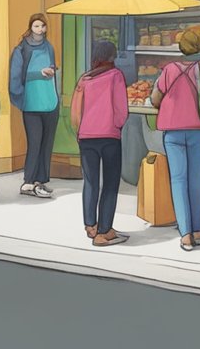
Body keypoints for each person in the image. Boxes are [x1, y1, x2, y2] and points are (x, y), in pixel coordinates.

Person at [152, 28, 200, 252]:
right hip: (199, 129)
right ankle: (198, 230)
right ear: (199, 48)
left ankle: (186, 235)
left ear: (181, 49)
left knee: (178, 181)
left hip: (173, 132)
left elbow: (155, 98)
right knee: (196, 181)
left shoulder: (169, 70)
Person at [75, 40, 129, 246]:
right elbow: (121, 110)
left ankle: (91, 225)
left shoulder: (84, 79)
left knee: (90, 182)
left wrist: (80, 131)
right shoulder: (115, 76)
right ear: (112, 57)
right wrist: (116, 126)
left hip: (86, 137)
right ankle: (104, 232)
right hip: (109, 137)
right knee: (110, 184)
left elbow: (76, 111)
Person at [9, 13, 59, 199]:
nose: (40, 30)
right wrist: (39, 73)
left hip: (50, 101)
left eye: (42, 26)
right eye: (36, 26)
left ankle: (41, 180)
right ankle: (28, 181)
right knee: (35, 142)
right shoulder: (21, 49)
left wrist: (52, 71)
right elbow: (16, 76)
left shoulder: (49, 47)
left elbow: (53, 67)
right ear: (31, 27)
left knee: (47, 144)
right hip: (31, 103)